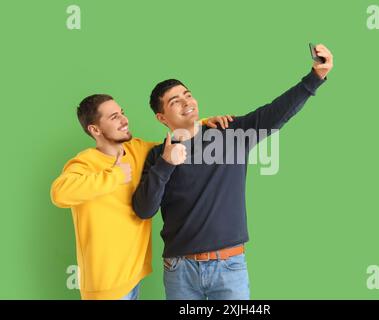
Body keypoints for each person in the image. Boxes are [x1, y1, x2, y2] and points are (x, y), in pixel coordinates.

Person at [132, 44, 334, 300]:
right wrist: (166, 164)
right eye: (175, 102)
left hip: (228, 267)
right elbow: (144, 210)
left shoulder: (230, 133)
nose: (187, 103)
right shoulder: (157, 156)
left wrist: (315, 77)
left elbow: (275, 113)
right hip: (179, 271)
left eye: (188, 95)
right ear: (162, 118)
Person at [50, 94, 231, 299]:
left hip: (134, 278)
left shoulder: (137, 149)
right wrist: (115, 176)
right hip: (106, 288)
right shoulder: (85, 163)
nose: (124, 120)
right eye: (114, 117)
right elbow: (59, 193)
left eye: (122, 113)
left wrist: (200, 123)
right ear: (95, 129)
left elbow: (171, 147)